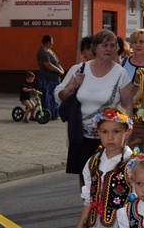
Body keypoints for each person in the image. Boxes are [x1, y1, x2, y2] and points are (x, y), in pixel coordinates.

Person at [55, 29, 134, 187]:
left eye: (113, 46)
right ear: (95, 48)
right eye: (105, 45)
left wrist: (127, 130)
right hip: (80, 135)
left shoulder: (120, 73)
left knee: (107, 177)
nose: (109, 49)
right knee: (85, 176)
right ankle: (88, 207)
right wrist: (72, 86)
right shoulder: (80, 69)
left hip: (108, 136)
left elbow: (128, 104)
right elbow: (59, 96)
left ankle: (104, 209)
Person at [36, 35, 65, 120]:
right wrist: (59, 71)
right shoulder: (43, 51)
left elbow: (56, 62)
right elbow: (48, 64)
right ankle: (48, 113)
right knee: (48, 96)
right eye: (52, 42)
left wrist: (61, 69)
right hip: (47, 78)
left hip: (54, 78)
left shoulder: (49, 51)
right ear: (48, 42)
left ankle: (54, 113)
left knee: (54, 95)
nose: (52, 43)